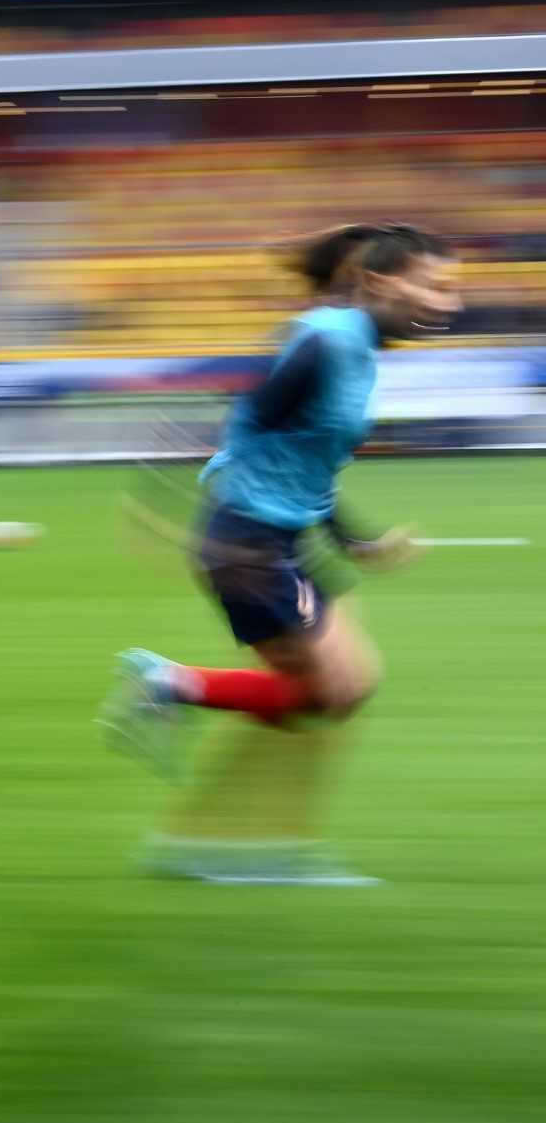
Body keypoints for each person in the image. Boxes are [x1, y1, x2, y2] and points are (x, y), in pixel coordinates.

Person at [98, 223, 460, 884]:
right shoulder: (326, 343)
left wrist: (355, 540)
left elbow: (306, 461)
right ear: (380, 281)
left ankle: (182, 716)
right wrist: (167, 495)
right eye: (435, 285)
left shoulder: (357, 349)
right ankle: (231, 826)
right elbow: (248, 419)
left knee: (341, 689)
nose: (449, 302)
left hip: (277, 540)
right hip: (249, 545)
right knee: (329, 690)